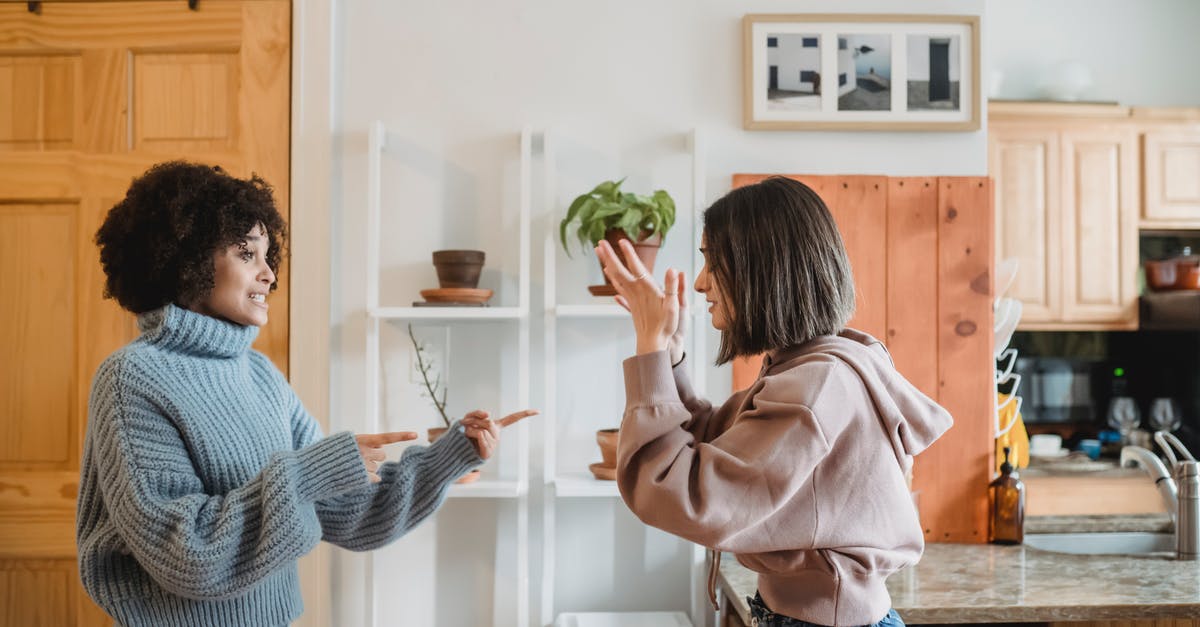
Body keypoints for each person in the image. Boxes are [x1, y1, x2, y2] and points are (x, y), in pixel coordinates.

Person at [76, 161, 536, 627]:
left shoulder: (259, 374)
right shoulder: (131, 379)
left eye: (268, 255)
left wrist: (450, 456)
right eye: (246, 253)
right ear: (186, 259)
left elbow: (348, 510)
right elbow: (187, 554)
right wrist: (311, 472)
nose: (269, 275)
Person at [595, 176, 952, 627]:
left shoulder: (816, 385)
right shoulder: (814, 368)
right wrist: (668, 352)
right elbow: (716, 438)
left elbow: (675, 490)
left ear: (762, 267)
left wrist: (648, 349)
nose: (702, 283)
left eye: (713, 262)